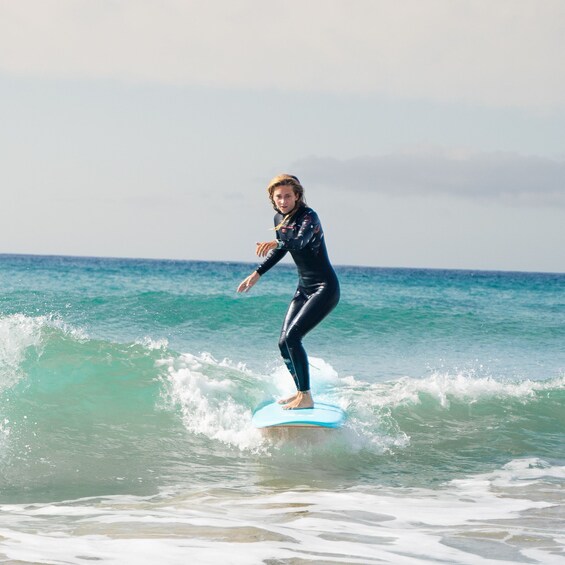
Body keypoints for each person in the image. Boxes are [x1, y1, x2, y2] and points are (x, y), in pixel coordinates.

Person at [237, 174, 340, 409]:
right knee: (284, 342)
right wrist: (257, 274)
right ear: (273, 199)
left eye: (288, 196)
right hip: (304, 288)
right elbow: (281, 249)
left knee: (294, 337)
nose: (283, 201)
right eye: (279, 197)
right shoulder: (279, 218)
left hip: (325, 288)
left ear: (297, 196)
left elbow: (299, 242)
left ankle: (306, 396)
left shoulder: (309, 217)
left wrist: (276, 242)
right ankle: (301, 393)